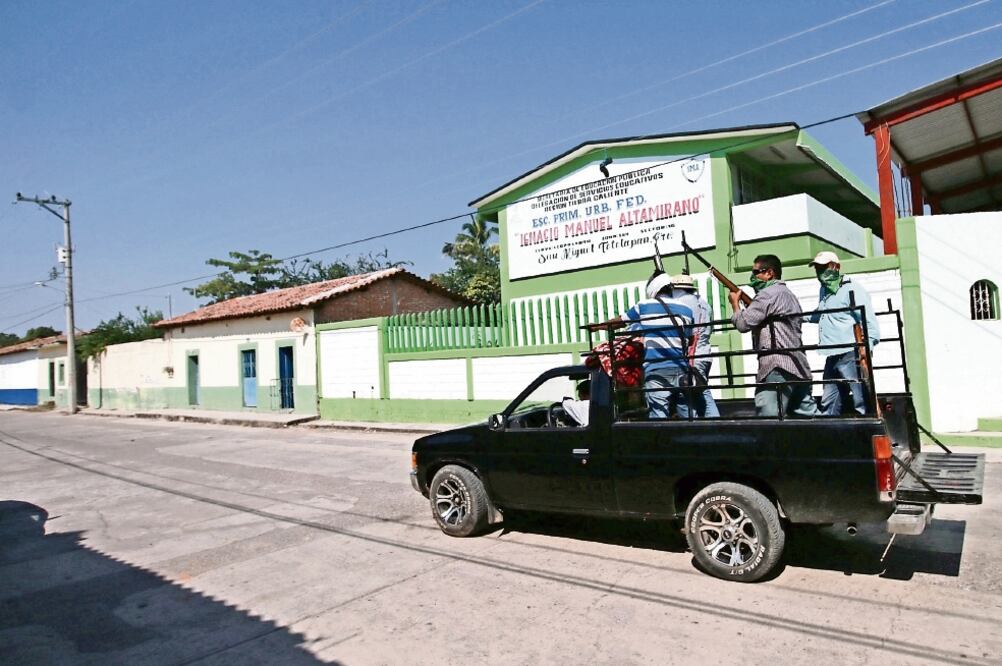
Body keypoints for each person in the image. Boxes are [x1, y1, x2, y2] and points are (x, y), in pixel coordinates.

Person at [592, 264, 695, 420]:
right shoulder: (687, 310)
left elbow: (620, 322)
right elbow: (691, 338)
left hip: (657, 369)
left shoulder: (644, 306)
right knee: (687, 415)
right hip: (682, 369)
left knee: (658, 416)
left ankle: (660, 443)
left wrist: (598, 326)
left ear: (653, 288)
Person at [729, 254, 819, 418]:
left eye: (757, 272)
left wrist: (735, 305)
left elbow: (743, 324)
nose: (753, 276)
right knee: (808, 417)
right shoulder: (789, 295)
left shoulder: (767, 295)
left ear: (769, 273)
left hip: (777, 365)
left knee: (768, 416)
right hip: (798, 366)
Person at [805, 251, 879, 416]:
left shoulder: (852, 289)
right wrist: (798, 317)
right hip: (832, 353)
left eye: (824, 267)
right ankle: (831, 435)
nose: (820, 271)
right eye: (817, 268)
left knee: (861, 399)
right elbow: (822, 314)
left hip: (851, 353)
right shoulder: (824, 291)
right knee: (829, 399)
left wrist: (867, 348)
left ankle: (868, 433)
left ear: (836, 267)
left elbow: (868, 321)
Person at [668, 274, 719, 418]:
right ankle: (716, 425)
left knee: (686, 397)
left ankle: (698, 428)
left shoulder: (680, 304)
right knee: (701, 392)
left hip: (692, 356)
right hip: (705, 353)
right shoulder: (704, 303)